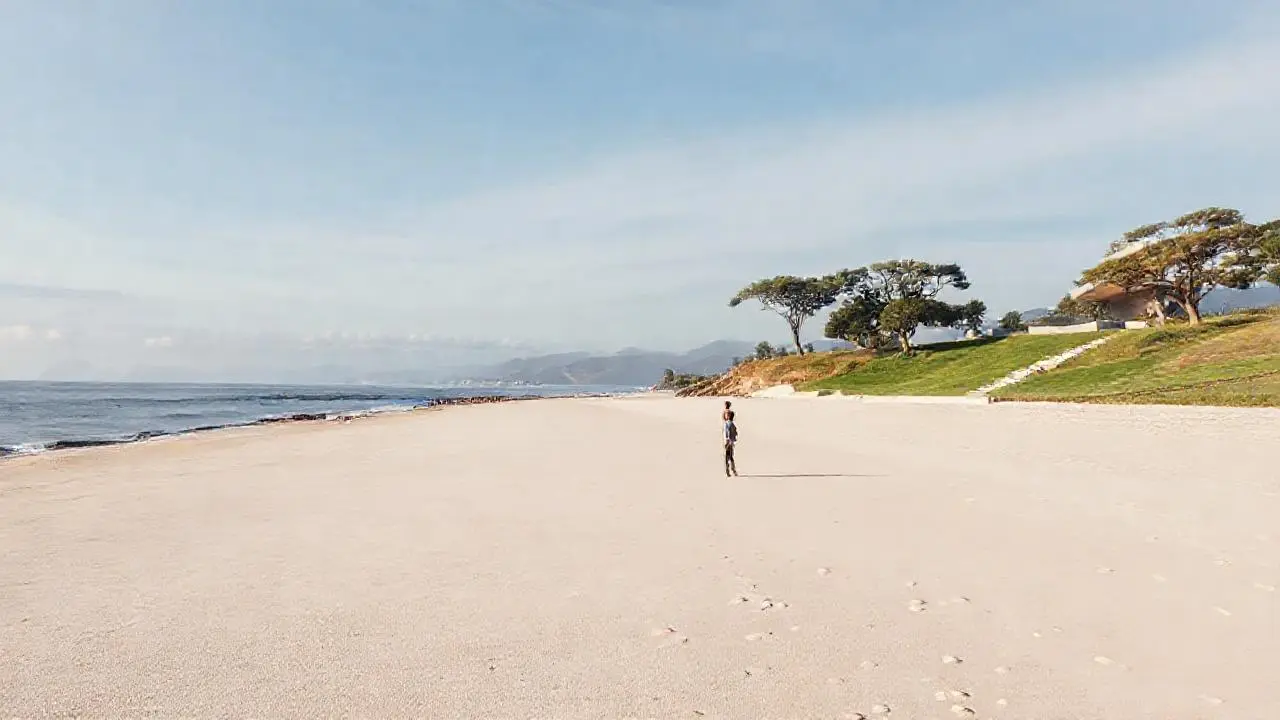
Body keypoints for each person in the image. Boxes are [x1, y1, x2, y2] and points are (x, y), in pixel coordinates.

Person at [722, 402, 739, 477]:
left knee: (728, 456)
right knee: (730, 456)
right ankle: (732, 469)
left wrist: (728, 440)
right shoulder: (730, 423)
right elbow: (735, 432)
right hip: (730, 441)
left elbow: (729, 432)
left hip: (728, 441)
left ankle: (729, 470)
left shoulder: (728, 423)